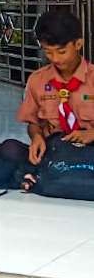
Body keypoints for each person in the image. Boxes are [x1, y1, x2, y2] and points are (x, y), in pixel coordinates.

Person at [6, 9, 94, 173]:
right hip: (56, 148)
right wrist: (36, 137)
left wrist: (92, 134)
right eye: (48, 52)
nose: (55, 59)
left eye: (61, 52)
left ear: (78, 44)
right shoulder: (37, 79)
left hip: (91, 148)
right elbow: (33, 123)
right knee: (10, 149)